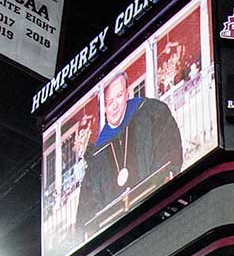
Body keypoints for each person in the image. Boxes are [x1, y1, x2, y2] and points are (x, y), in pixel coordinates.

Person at [75, 67, 186, 231]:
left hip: (157, 213)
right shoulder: (97, 155)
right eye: (109, 102)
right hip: (120, 235)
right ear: (104, 108)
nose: (115, 106)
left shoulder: (150, 113)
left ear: (127, 94)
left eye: (119, 96)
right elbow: (87, 212)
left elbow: (169, 151)